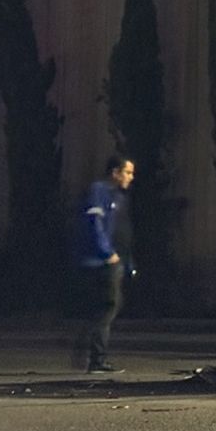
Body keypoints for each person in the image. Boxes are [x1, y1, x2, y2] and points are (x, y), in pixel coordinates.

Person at [71, 155, 135, 373]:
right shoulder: (99, 191)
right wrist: (107, 253)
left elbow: (122, 232)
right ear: (115, 172)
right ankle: (96, 358)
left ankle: (90, 351)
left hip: (113, 260)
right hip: (101, 261)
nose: (130, 177)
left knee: (106, 307)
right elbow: (94, 223)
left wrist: (127, 262)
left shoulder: (118, 197)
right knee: (108, 306)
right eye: (127, 172)